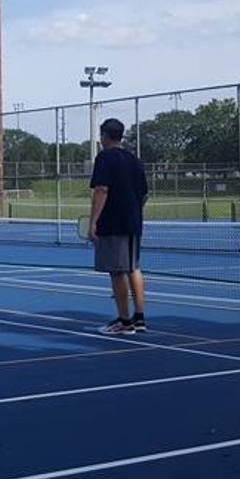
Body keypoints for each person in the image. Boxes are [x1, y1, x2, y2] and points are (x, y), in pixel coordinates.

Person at [88, 118, 148, 335]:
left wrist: (93, 221)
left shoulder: (104, 158)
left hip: (114, 224)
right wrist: (133, 212)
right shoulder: (135, 160)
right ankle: (139, 317)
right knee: (134, 267)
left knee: (117, 271)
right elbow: (144, 195)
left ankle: (124, 321)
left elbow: (101, 190)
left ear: (104, 135)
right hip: (134, 224)